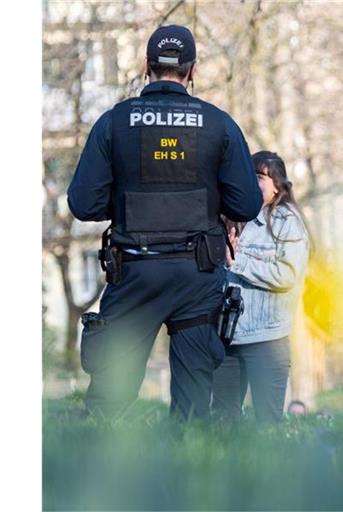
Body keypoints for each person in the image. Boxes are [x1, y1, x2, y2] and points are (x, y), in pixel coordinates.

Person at [67, 25, 262, 419]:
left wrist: (125, 199)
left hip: (134, 272)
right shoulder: (219, 124)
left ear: (146, 66)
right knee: (193, 404)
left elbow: (83, 203)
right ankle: (188, 470)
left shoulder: (113, 123)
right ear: (192, 71)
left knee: (110, 397)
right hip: (198, 274)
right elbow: (246, 203)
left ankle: (97, 469)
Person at [212, 151, 311, 422]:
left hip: (266, 341)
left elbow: (286, 275)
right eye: (248, 176)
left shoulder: (286, 221)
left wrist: (238, 261)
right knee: (222, 423)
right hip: (227, 339)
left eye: (259, 177)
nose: (251, 182)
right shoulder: (231, 218)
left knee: (267, 425)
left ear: (278, 184)